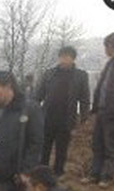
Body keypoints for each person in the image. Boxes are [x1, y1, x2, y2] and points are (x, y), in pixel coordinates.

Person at [35, 46, 90, 177]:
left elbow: (84, 98)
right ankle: (42, 172)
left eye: (67, 57)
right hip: (47, 116)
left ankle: (58, 173)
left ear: (73, 59)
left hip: (66, 117)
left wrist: (84, 117)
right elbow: (38, 96)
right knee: (44, 147)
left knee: (62, 148)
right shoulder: (49, 73)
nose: (64, 60)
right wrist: (34, 113)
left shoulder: (81, 76)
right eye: (61, 57)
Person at [83, 32, 114, 188]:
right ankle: (94, 174)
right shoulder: (110, 64)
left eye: (106, 46)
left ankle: (107, 177)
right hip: (102, 111)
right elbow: (101, 88)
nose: (105, 49)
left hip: (113, 113)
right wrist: (94, 108)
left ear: (112, 46)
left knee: (110, 146)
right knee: (97, 144)